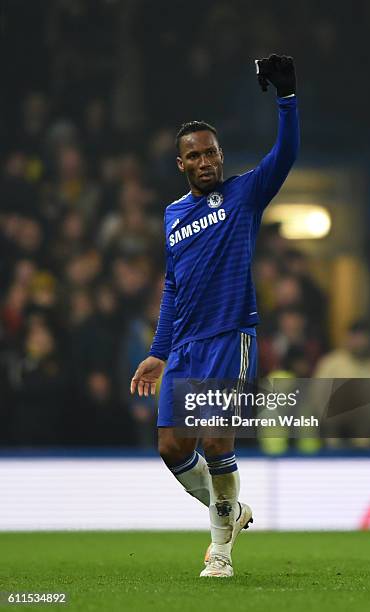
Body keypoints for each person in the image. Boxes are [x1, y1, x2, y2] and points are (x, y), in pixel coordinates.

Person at [130, 54, 299, 577]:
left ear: (221, 155)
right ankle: (229, 511)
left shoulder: (244, 194)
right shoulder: (173, 214)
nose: (205, 161)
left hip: (231, 335)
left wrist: (287, 99)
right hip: (184, 346)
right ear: (181, 164)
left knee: (217, 440)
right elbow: (174, 286)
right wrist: (159, 352)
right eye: (194, 156)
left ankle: (220, 552)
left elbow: (285, 154)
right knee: (172, 447)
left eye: (211, 152)